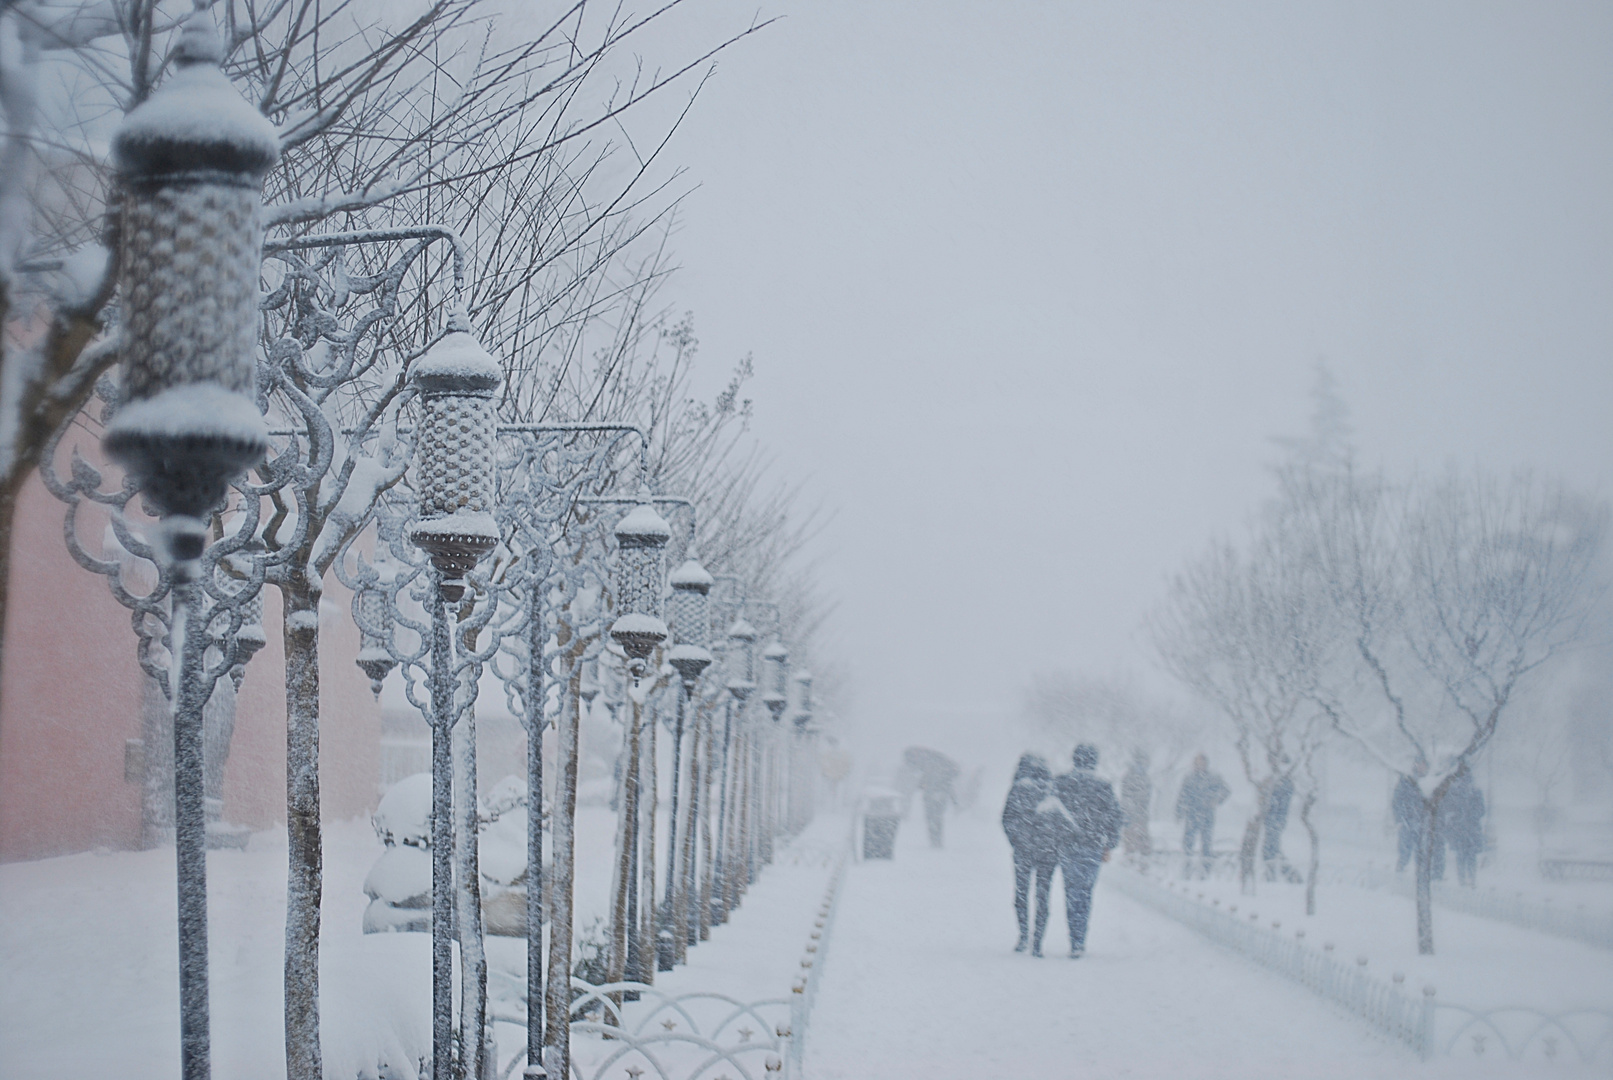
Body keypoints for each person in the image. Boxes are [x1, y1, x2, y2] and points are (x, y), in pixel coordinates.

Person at [1051, 744, 1121, 958]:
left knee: (1071, 891)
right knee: (1085, 892)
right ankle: (1080, 939)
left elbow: (1052, 814)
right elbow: (1114, 816)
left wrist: (1052, 840)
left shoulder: (1061, 782)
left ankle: (1074, 937)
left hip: (1068, 844)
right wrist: (1110, 843)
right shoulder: (1103, 785)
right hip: (1093, 845)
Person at [1001, 754, 1065, 956]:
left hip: (1023, 850)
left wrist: (1016, 841)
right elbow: (1061, 820)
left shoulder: (1019, 788)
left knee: (1021, 893)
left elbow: (1006, 819)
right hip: (1048, 851)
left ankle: (1023, 935)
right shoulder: (1053, 790)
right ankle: (1038, 940)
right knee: (1043, 895)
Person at [1175, 753, 1229, 878]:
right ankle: (1186, 870)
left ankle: (1206, 871)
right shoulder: (1189, 778)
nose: (1200, 765)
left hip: (1207, 815)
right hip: (1191, 814)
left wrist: (1216, 800)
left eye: (1202, 762)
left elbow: (1226, 790)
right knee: (1188, 843)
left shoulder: (1213, 778)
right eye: (1198, 762)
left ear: (1206, 764)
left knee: (1206, 844)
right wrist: (1179, 811)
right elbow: (1182, 795)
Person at [903, 746, 959, 848]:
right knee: (935, 817)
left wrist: (926, 785)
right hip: (938, 793)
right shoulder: (934, 759)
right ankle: (936, 841)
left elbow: (930, 778)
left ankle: (935, 841)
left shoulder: (930, 761)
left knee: (933, 817)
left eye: (911, 760)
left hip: (935, 793)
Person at [1440, 766, 1486, 888]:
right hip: (1466, 830)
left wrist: (1461, 817)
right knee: (1467, 856)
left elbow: (1480, 810)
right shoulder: (1473, 791)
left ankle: (1466, 879)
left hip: (1464, 830)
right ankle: (1468, 879)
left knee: (1464, 856)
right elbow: (1481, 810)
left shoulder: (1458, 792)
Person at [1262, 771, 1296, 882]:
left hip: (1275, 820)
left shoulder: (1284, 782)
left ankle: (1288, 874)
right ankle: (1284, 874)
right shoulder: (1277, 780)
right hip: (1271, 820)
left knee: (1271, 850)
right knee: (1271, 849)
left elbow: (1280, 804)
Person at [1120, 749, 1152, 859]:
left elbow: (1147, 797)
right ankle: (1130, 858)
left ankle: (1144, 858)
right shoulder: (1129, 777)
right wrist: (1128, 811)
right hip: (1131, 813)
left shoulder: (1146, 778)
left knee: (1142, 837)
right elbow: (1125, 795)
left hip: (1141, 814)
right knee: (1130, 838)